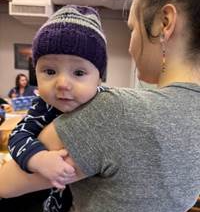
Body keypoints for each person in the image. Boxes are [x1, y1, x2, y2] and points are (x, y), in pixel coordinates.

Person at [1, 0, 200, 211]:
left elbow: (4, 184)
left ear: (164, 22)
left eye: (132, 29)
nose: (62, 84)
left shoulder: (111, 110)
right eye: (49, 71)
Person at [7, 5, 107, 212]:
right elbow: (18, 136)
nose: (62, 83)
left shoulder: (106, 107)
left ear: (99, 77)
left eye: (78, 73)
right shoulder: (44, 107)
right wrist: (39, 158)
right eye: (50, 71)